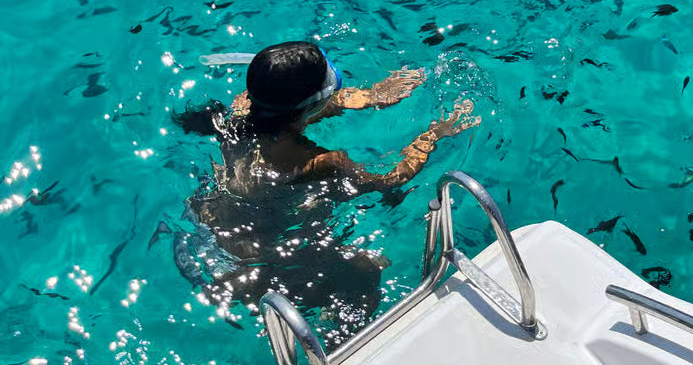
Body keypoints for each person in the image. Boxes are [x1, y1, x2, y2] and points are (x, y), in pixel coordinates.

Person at [173, 41, 479, 327]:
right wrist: (435, 134)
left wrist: (371, 96)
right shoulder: (321, 163)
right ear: (312, 105)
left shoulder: (240, 110)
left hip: (206, 228)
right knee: (367, 270)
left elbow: (289, 115)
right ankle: (338, 355)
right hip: (256, 262)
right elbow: (390, 179)